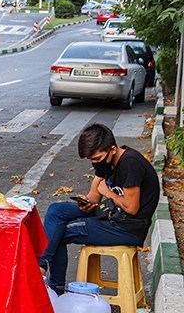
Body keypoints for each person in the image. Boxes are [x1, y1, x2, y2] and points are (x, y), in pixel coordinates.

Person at [38, 123, 160, 296]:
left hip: (127, 227)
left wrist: (108, 193)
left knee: (60, 232)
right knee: (57, 210)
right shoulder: (105, 161)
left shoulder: (130, 164)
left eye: (97, 158)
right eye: (91, 159)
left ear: (112, 149)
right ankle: (42, 265)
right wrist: (86, 202)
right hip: (110, 212)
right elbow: (95, 195)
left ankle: (54, 290)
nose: (95, 163)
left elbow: (132, 208)